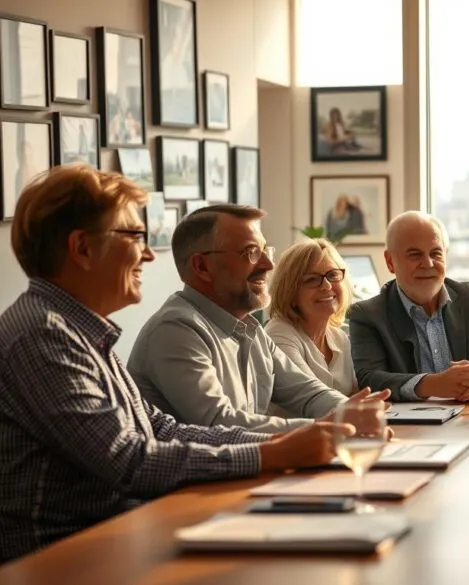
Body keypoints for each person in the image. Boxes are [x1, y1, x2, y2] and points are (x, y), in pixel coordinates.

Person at [0, 166, 345, 562]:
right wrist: (273, 453)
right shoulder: (43, 336)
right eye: (134, 237)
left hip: (116, 536)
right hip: (64, 558)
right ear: (82, 248)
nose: (148, 254)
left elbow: (161, 429)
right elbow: (129, 461)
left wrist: (283, 441)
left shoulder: (82, 332)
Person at [127, 204, 390, 433]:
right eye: (251, 252)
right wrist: (331, 426)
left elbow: (308, 393)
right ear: (202, 267)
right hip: (196, 488)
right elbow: (218, 424)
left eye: (266, 251)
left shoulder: (250, 329)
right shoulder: (176, 330)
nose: (268, 265)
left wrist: (353, 412)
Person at [349, 211, 469, 401]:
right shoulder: (367, 315)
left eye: (436, 253)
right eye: (415, 255)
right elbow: (369, 380)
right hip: (409, 429)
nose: (428, 263)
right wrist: (433, 384)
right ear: (390, 262)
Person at [266, 239, 358, 396]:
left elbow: (357, 394)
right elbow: (313, 397)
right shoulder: (278, 335)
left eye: (333, 275)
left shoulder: (339, 337)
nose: (327, 286)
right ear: (290, 292)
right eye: (312, 279)